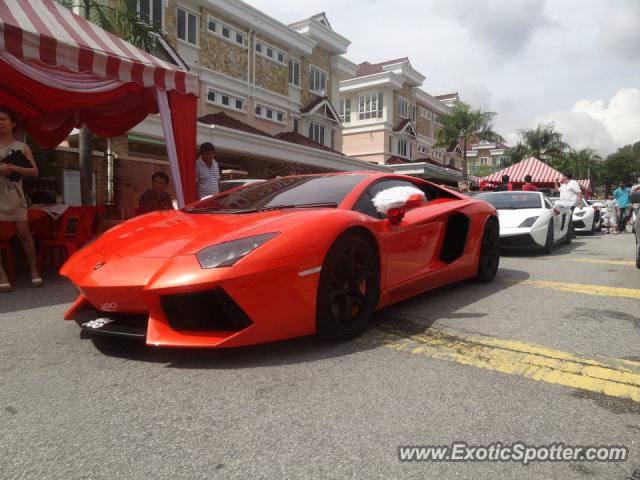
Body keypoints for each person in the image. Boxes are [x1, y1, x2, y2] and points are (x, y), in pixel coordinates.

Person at [0, 107, 42, 291]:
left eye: (3, 119)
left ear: (13, 123)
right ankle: (2, 275)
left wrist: (14, 168)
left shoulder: (22, 147)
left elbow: (34, 171)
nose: (0, 123)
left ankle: (34, 270)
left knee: (24, 234)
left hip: (14, 195)